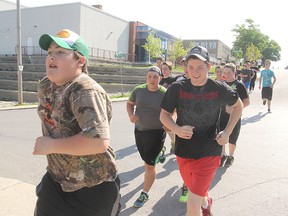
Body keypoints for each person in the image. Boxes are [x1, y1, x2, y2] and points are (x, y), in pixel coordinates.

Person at [33, 29, 120, 216]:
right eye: (49, 52)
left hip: (92, 188)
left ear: (80, 61)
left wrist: (51, 145)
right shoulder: (46, 86)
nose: (51, 57)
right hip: (57, 181)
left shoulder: (84, 89)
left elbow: (98, 141)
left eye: (60, 52)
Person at [160, 46, 243, 216]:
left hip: (210, 151)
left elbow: (238, 105)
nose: (195, 72)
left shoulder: (219, 88)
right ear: (186, 68)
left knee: (192, 203)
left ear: (209, 67)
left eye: (200, 67)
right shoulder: (177, 88)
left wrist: (227, 132)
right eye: (191, 67)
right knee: (194, 189)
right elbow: (164, 115)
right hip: (183, 150)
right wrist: (177, 129)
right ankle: (206, 202)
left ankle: (201, 204)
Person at [126, 66, 167, 208]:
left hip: (157, 133)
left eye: (155, 77)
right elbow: (130, 104)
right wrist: (131, 115)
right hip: (140, 130)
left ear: (160, 78)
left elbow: (172, 110)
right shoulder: (138, 90)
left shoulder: (164, 93)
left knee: (149, 165)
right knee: (145, 160)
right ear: (146, 77)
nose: (152, 79)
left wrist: (168, 123)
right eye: (149, 76)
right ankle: (159, 153)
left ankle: (145, 192)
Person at [219, 63, 250, 167]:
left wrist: (233, 108)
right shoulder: (221, 84)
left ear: (234, 72)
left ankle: (230, 156)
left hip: (235, 117)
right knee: (221, 135)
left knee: (232, 138)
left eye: (229, 72)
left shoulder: (239, 85)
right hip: (222, 116)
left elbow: (246, 102)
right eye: (225, 72)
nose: (226, 75)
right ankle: (222, 155)